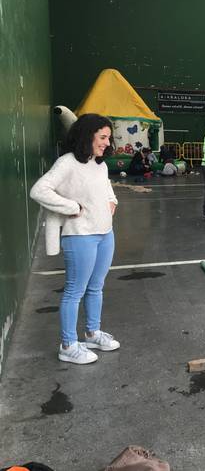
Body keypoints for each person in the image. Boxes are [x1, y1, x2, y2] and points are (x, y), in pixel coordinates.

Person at [30, 114, 121, 365]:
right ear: (87, 136)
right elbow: (39, 190)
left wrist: (112, 201)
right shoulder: (67, 163)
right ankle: (68, 345)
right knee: (74, 292)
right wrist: (72, 207)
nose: (107, 142)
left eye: (108, 138)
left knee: (96, 287)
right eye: (102, 137)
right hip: (80, 236)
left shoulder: (100, 165)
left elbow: (107, 190)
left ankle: (92, 334)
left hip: (105, 234)